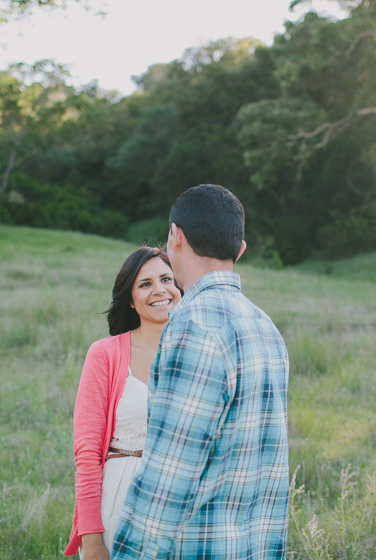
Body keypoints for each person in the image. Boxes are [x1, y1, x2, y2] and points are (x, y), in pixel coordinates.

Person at [112, 184, 290, 559]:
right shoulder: (266, 328)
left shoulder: (192, 326)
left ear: (175, 237)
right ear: (239, 250)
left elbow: (168, 477)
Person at [64, 247, 181, 559]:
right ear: (130, 299)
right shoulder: (105, 354)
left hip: (183, 506)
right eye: (145, 284)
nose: (160, 290)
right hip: (119, 501)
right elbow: (87, 452)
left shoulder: (197, 351)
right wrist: (90, 537)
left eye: (166, 279)